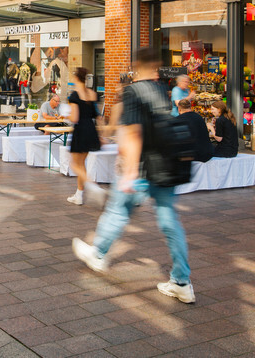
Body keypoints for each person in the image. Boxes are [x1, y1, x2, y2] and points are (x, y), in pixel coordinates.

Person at [73, 47, 195, 304]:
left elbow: (134, 133)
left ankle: (98, 253)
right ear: (156, 67)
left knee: (118, 210)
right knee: (170, 221)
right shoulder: (163, 90)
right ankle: (182, 281)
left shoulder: (133, 91)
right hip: (167, 166)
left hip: (142, 168)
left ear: (136, 66)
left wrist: (129, 173)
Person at [65, 68, 105, 206]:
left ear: (76, 78)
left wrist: (66, 114)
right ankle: (79, 195)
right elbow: (99, 117)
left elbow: (75, 118)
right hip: (91, 130)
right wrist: (102, 136)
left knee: (74, 164)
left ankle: (93, 188)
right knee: (82, 164)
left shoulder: (75, 95)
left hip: (80, 129)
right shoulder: (92, 94)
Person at [176, 99, 213, 163]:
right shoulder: (199, 117)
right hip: (207, 153)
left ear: (179, 109)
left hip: (194, 156)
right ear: (190, 107)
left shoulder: (179, 120)